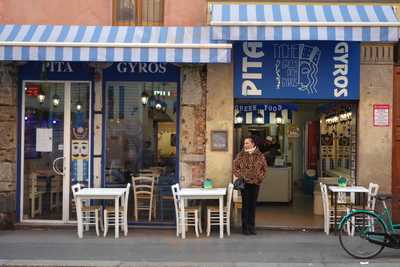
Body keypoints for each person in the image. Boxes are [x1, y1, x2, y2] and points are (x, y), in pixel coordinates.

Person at [233, 136, 267, 235]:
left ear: (253, 144)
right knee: (245, 206)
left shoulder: (260, 155)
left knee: (252, 206)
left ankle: (252, 227)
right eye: (244, 143)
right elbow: (235, 167)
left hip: (255, 183)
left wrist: (259, 178)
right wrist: (242, 176)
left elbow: (264, 168)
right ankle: (245, 228)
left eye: (247, 143)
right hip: (245, 183)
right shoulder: (241, 155)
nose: (245, 145)